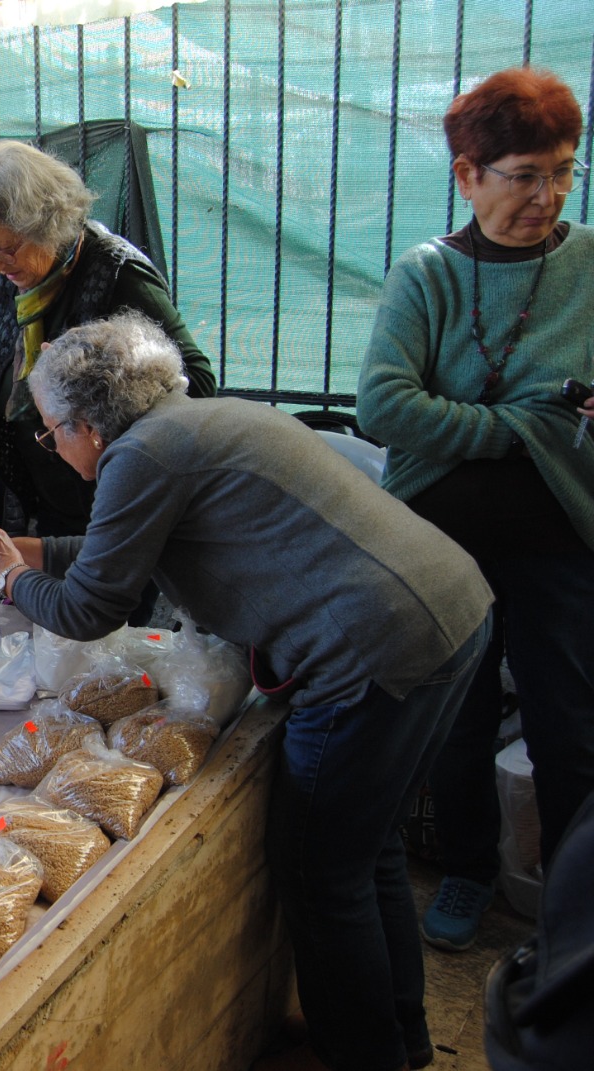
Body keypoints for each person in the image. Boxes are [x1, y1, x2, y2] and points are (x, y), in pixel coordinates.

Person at [0, 312, 492, 1071]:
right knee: (367, 854)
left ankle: (360, 1054)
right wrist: (17, 552)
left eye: (49, 432)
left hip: (373, 649)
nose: (51, 446)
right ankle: (397, 1037)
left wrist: (11, 578)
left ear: (89, 427)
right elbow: (117, 549)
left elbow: (89, 607)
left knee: (318, 869)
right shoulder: (190, 425)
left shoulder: (142, 457)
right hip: (449, 612)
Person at [357, 66, 594, 953]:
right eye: (524, 174)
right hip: (443, 542)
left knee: (567, 725)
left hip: (562, 539)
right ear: (468, 174)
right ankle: (467, 868)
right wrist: (521, 428)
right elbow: (383, 405)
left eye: (564, 170)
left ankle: (573, 908)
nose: (548, 194)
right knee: (454, 719)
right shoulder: (429, 275)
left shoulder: (591, 263)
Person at [0, 140, 216, 537]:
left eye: (5, 249)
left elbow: (195, 382)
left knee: (100, 593)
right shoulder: (21, 274)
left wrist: (98, 411)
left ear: (47, 224)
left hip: (108, 498)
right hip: (44, 495)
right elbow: (0, 350)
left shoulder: (119, 276)